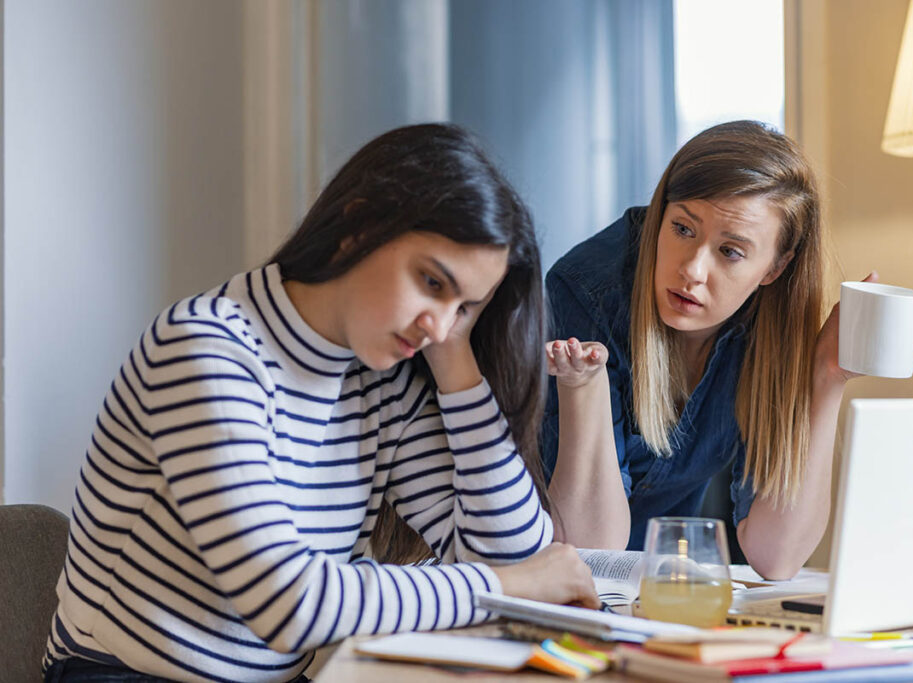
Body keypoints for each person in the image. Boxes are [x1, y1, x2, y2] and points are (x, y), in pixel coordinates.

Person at [43, 123, 598, 683]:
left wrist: (455, 359)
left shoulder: (385, 376)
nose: (438, 324)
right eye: (432, 281)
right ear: (358, 227)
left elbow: (515, 554)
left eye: (465, 306)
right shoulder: (206, 351)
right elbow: (289, 604)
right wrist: (509, 587)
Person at [542, 120, 873, 579]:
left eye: (731, 251)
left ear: (775, 267)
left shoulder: (771, 323)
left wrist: (828, 377)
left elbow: (775, 557)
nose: (692, 270)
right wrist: (585, 388)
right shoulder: (588, 290)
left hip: (659, 585)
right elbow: (590, 547)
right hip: (541, 577)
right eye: (682, 228)